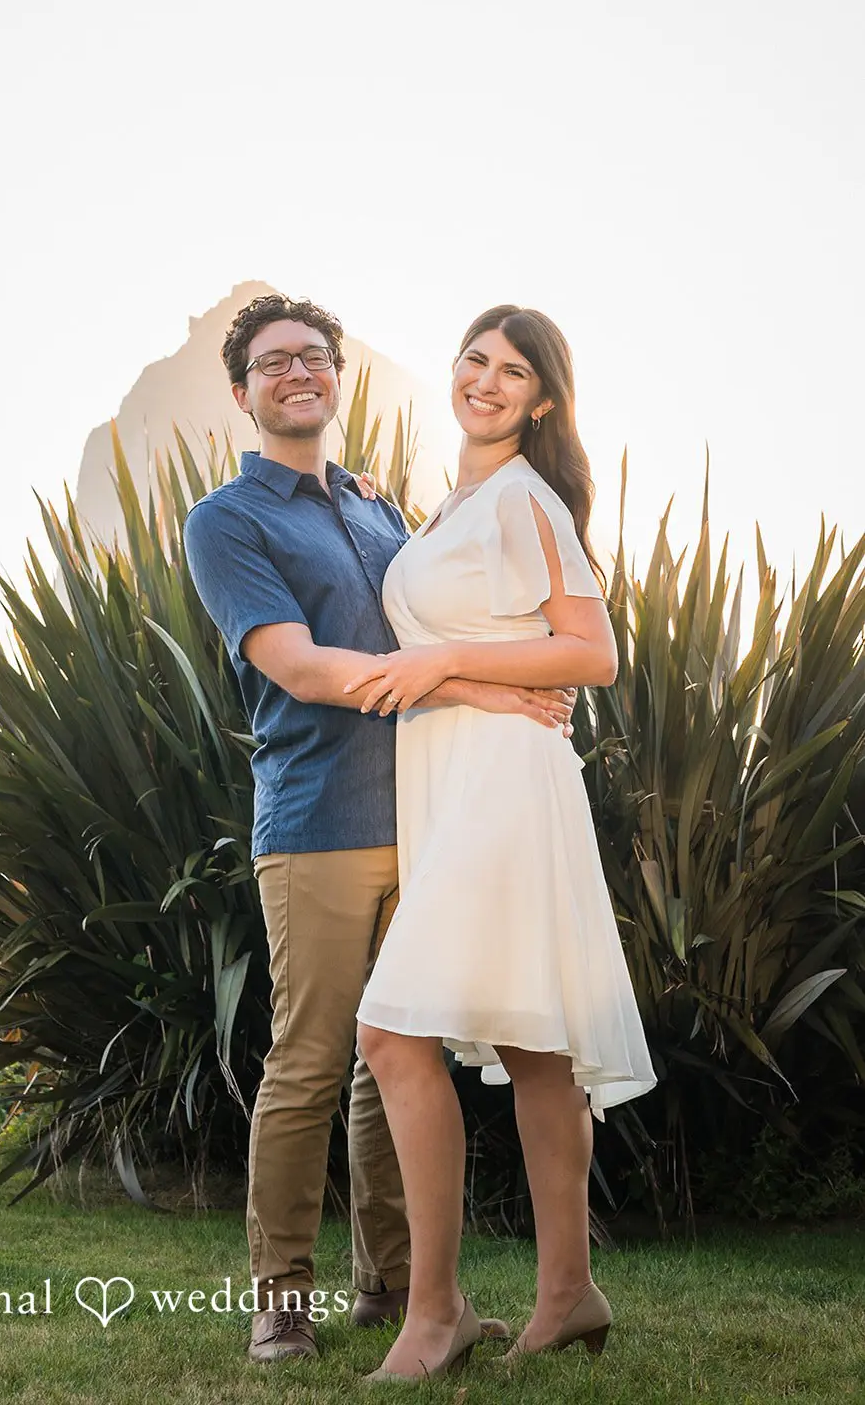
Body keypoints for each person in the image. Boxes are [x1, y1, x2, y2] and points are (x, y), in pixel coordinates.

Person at [182, 293, 577, 1364]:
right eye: (274, 363)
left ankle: (399, 1289)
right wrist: (489, 692)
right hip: (315, 820)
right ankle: (280, 1304)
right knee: (309, 1060)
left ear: (337, 375)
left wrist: (497, 677)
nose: (298, 371)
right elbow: (301, 667)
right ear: (243, 392)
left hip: (426, 815)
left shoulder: (378, 510)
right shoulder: (227, 519)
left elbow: (440, 635)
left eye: (314, 356)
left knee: (390, 1058)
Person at [346, 304, 657, 1383]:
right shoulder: (454, 505)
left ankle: (432, 1314)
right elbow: (451, 646)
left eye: (511, 369)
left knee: (389, 1034)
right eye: (474, 358)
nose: (484, 379)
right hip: (454, 776)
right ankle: (566, 1293)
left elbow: (593, 653)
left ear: (541, 400)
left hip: (502, 786)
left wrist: (440, 670)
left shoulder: (525, 500)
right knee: (532, 1046)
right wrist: (452, 668)